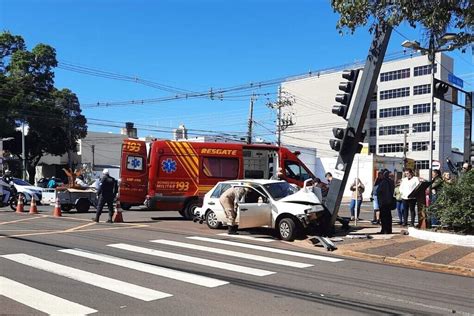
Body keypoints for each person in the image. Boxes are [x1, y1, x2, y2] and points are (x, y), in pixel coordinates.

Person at [377, 170, 395, 234]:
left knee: (384, 217)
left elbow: (379, 191)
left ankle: (384, 230)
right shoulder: (391, 181)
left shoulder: (384, 182)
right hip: (389, 201)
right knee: (388, 216)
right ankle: (389, 229)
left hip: (384, 202)